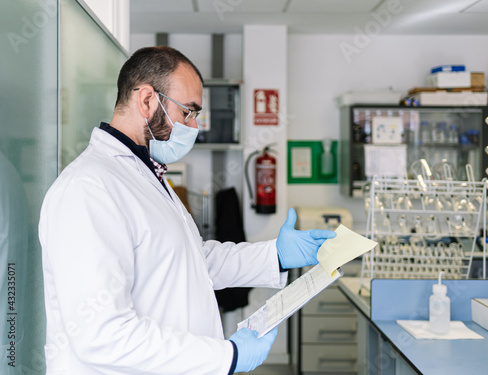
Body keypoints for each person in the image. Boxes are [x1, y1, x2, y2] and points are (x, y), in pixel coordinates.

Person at [38, 46, 337, 375]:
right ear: (147, 100)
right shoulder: (88, 189)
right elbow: (102, 336)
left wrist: (275, 256)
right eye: (188, 112)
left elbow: (191, 260)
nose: (194, 127)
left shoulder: (146, 176)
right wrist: (227, 357)